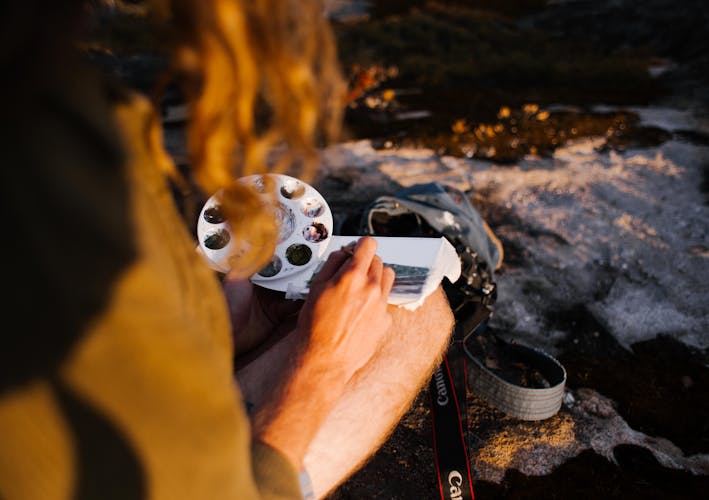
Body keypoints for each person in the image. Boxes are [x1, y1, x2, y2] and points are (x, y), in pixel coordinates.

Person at [0, 1, 454, 499]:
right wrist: (319, 368)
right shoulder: (40, 182)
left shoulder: (55, 120)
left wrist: (219, 337)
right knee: (414, 312)